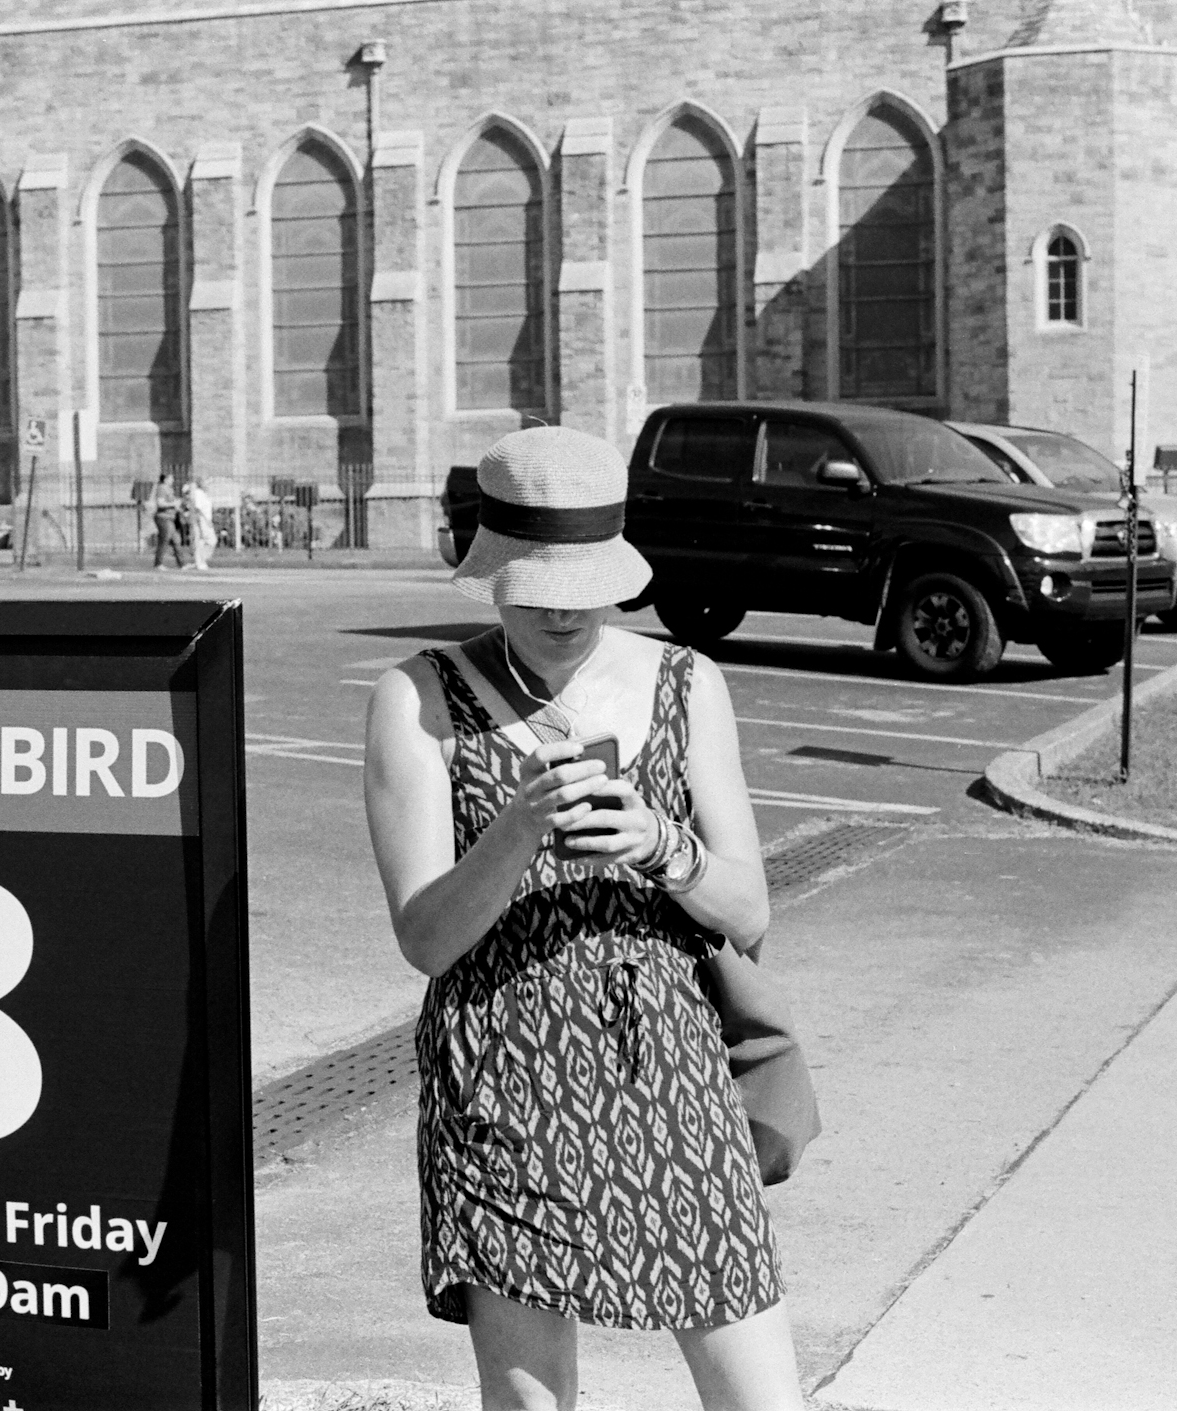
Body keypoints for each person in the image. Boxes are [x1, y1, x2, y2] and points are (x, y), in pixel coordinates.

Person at [362, 426, 800, 1411]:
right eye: (540, 589)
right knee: (531, 1404)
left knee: (762, 1398)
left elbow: (750, 909)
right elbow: (425, 939)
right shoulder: (419, 699)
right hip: (504, 1072)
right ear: (492, 574)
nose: (566, 613)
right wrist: (514, 833)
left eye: (586, 586)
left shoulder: (686, 681)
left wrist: (660, 843)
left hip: (669, 1062)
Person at [147, 472, 186, 571]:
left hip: (170, 518)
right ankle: (158, 564)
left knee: (176, 540)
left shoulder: (169, 489)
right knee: (164, 540)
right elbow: (160, 503)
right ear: (165, 479)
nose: (173, 480)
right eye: (171, 478)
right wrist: (173, 504)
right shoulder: (161, 488)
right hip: (163, 518)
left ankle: (181, 564)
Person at [184, 477, 216, 571]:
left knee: (206, 541)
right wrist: (205, 521)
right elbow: (198, 509)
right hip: (202, 520)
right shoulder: (198, 493)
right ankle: (200, 562)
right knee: (206, 541)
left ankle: (200, 561)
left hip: (205, 520)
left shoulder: (203, 494)